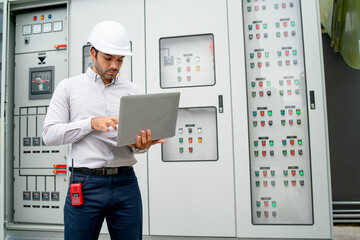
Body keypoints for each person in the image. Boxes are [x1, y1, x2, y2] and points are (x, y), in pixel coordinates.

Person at [42, 20, 163, 240]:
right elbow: (49, 135)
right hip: (85, 183)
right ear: (93, 53)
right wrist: (90, 123)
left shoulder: (131, 90)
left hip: (126, 182)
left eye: (120, 60)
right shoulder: (69, 87)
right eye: (108, 58)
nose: (114, 65)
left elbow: (134, 145)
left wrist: (141, 145)